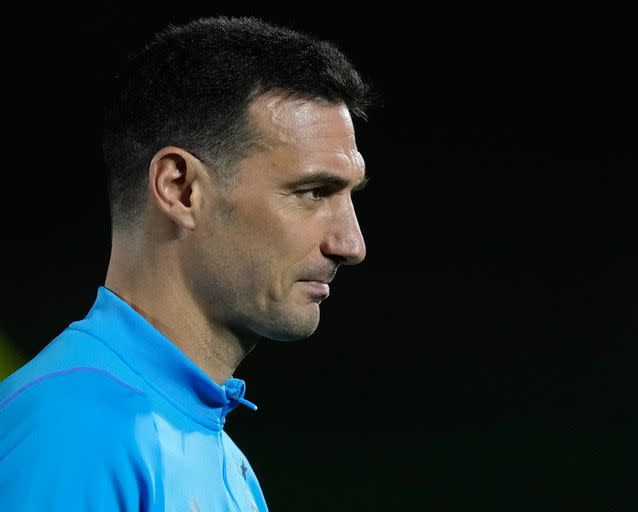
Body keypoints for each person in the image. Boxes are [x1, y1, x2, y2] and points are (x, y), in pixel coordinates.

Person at [0, 15, 372, 511]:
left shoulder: (222, 460)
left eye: (349, 196)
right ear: (180, 188)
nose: (351, 243)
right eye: (313, 192)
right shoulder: (73, 430)